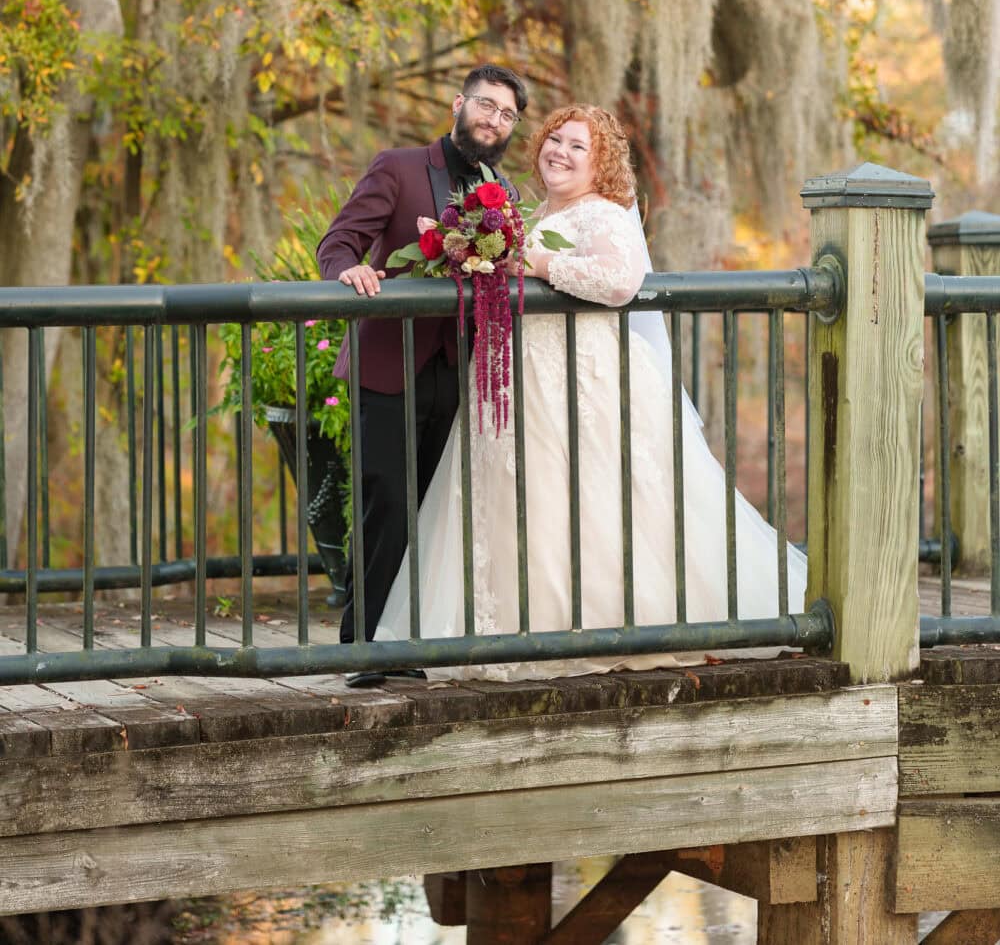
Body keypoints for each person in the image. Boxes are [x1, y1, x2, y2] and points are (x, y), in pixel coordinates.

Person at [375, 103, 808, 679]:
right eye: (554, 140)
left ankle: (606, 622)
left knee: (594, 497)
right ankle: (520, 627)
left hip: (586, 380)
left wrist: (527, 258)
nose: (560, 151)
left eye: (578, 146)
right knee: (523, 499)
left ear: (599, 162)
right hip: (520, 380)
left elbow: (619, 281)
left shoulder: (603, 214)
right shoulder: (530, 214)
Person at [316, 64, 528, 657]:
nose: (494, 119)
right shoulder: (399, 166)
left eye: (507, 114)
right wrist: (347, 270)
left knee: (434, 509)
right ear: (459, 104)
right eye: (487, 105)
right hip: (388, 365)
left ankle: (413, 643)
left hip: (456, 370)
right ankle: (365, 646)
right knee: (386, 501)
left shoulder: (505, 194)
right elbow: (337, 242)